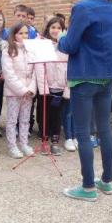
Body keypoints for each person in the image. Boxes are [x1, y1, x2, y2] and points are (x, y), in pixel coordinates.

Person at [58, 0, 112, 202]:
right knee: (104, 129)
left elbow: (71, 45)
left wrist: (60, 39)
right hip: (106, 75)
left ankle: (87, 187)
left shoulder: (82, 7)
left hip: (84, 75)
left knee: (83, 132)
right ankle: (106, 181)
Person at [2, 22, 37, 158]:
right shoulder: (8, 50)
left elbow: (35, 71)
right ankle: (12, 146)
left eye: (26, 33)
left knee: (25, 120)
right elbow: (9, 74)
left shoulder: (30, 50)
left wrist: (31, 88)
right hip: (14, 92)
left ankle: (24, 143)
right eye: (20, 33)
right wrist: (22, 90)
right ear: (14, 35)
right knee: (12, 120)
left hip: (29, 91)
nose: (24, 36)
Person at [35, 16, 69, 155]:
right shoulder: (43, 44)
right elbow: (39, 67)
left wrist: (68, 88)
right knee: (44, 114)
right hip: (46, 87)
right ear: (48, 28)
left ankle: (55, 141)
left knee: (57, 115)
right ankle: (44, 141)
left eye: (59, 28)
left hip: (61, 86)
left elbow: (70, 67)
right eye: (53, 27)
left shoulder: (67, 45)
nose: (56, 30)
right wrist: (43, 88)